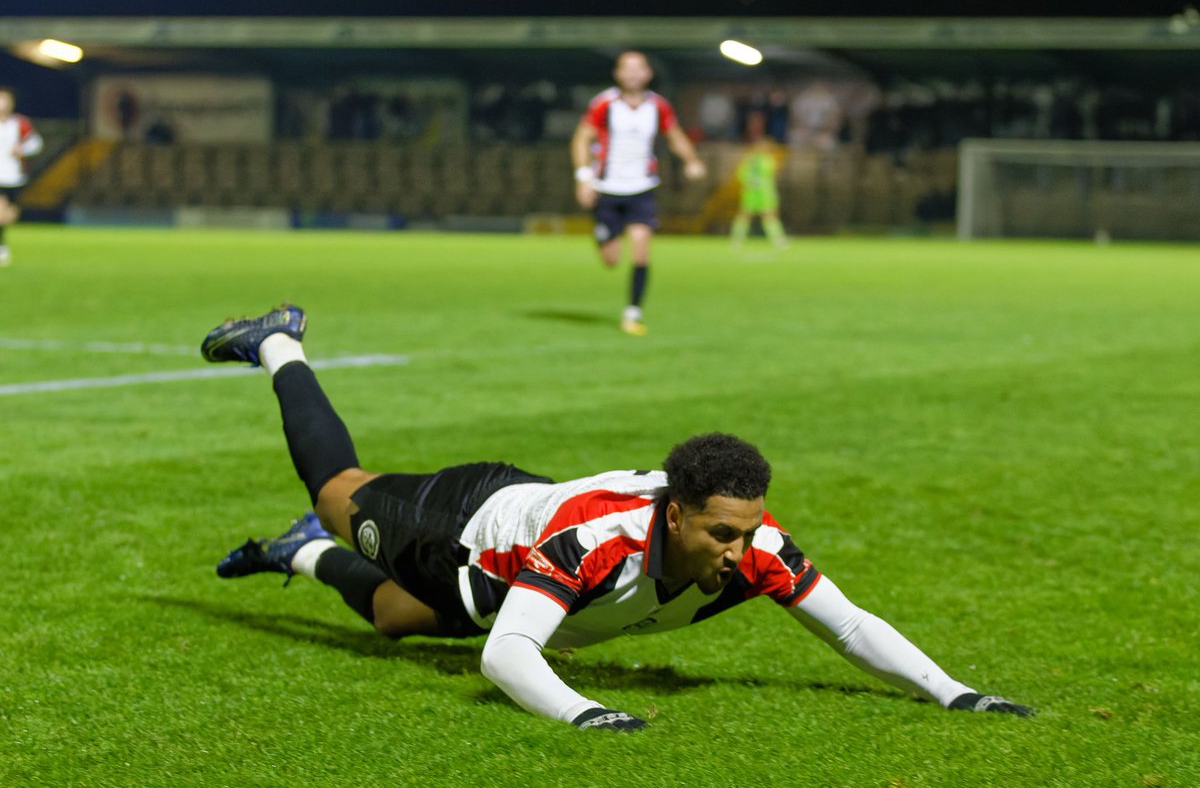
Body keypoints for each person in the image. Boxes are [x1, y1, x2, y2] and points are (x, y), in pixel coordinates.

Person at [203, 304, 1033, 730]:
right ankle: (281, 343)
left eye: (748, 529)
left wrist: (955, 694)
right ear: (674, 518)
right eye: (722, 533)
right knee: (337, 487)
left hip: (520, 553)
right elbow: (506, 654)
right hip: (461, 525)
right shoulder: (598, 545)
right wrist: (586, 713)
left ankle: (298, 555)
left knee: (390, 617)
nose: (742, 552)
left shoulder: (755, 546)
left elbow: (850, 630)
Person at [570, 51, 707, 336]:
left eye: (638, 68)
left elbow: (675, 135)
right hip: (607, 187)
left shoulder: (658, 106)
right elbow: (582, 138)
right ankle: (603, 234)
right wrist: (583, 177)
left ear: (647, 74)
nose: (633, 74)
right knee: (611, 260)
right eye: (626, 68)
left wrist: (692, 160)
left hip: (642, 187)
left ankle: (633, 312)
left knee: (641, 248)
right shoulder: (603, 104)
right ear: (617, 74)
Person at [0, 87, 44, 268]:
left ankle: (2, 242)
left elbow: (36, 143)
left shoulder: (20, 123)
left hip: (15, 176)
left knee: (9, 215)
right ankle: (2, 247)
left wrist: (22, 150)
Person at [730, 117, 789, 250]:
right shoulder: (752, 160)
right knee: (745, 215)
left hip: (764, 192)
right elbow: (741, 174)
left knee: (768, 216)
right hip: (754, 192)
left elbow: (770, 174)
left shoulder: (765, 160)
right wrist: (750, 181)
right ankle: (736, 239)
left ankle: (778, 241)